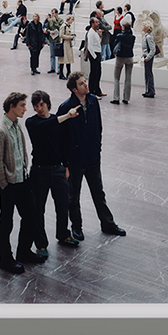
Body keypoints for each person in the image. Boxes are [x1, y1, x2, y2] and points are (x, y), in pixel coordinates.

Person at [57, 72, 126, 239]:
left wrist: (98, 147)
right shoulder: (66, 108)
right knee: (74, 195)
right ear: (74, 89)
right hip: (75, 159)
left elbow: (98, 126)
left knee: (98, 192)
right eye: (81, 84)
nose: (86, 85)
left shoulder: (93, 101)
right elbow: (60, 137)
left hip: (93, 156)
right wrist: (66, 162)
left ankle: (108, 223)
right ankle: (77, 227)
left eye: (85, 82)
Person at [0, 92, 44, 273]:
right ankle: (5, 260)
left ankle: (23, 252)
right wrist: (5, 185)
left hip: (22, 180)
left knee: (30, 216)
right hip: (8, 183)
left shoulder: (16, 125)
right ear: (12, 106)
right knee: (6, 222)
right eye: (22, 105)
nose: (25, 108)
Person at [111, 21, 136, 104]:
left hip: (120, 57)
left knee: (116, 78)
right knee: (128, 78)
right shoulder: (133, 37)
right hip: (130, 57)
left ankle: (116, 98)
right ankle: (126, 98)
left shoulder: (119, 36)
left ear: (123, 28)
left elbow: (114, 44)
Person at [84, 18, 103, 96]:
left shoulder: (95, 32)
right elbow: (90, 46)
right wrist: (94, 57)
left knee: (98, 72)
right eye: (96, 22)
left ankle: (97, 90)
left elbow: (98, 43)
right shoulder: (91, 33)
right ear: (92, 24)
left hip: (97, 53)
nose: (98, 23)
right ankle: (92, 92)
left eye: (98, 22)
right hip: (94, 54)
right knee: (94, 73)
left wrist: (100, 36)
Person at [141, 21, 157, 98]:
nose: (141, 27)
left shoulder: (148, 37)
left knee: (148, 74)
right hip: (147, 57)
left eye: (143, 25)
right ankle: (148, 90)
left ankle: (150, 91)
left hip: (148, 58)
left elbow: (152, 49)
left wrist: (147, 58)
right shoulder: (147, 36)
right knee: (147, 74)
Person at [59, 14, 76, 80]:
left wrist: (72, 35)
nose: (72, 21)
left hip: (68, 44)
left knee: (69, 59)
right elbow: (61, 35)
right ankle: (61, 74)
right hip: (64, 44)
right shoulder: (64, 26)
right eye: (71, 19)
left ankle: (68, 73)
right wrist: (69, 37)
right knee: (63, 59)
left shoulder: (69, 26)